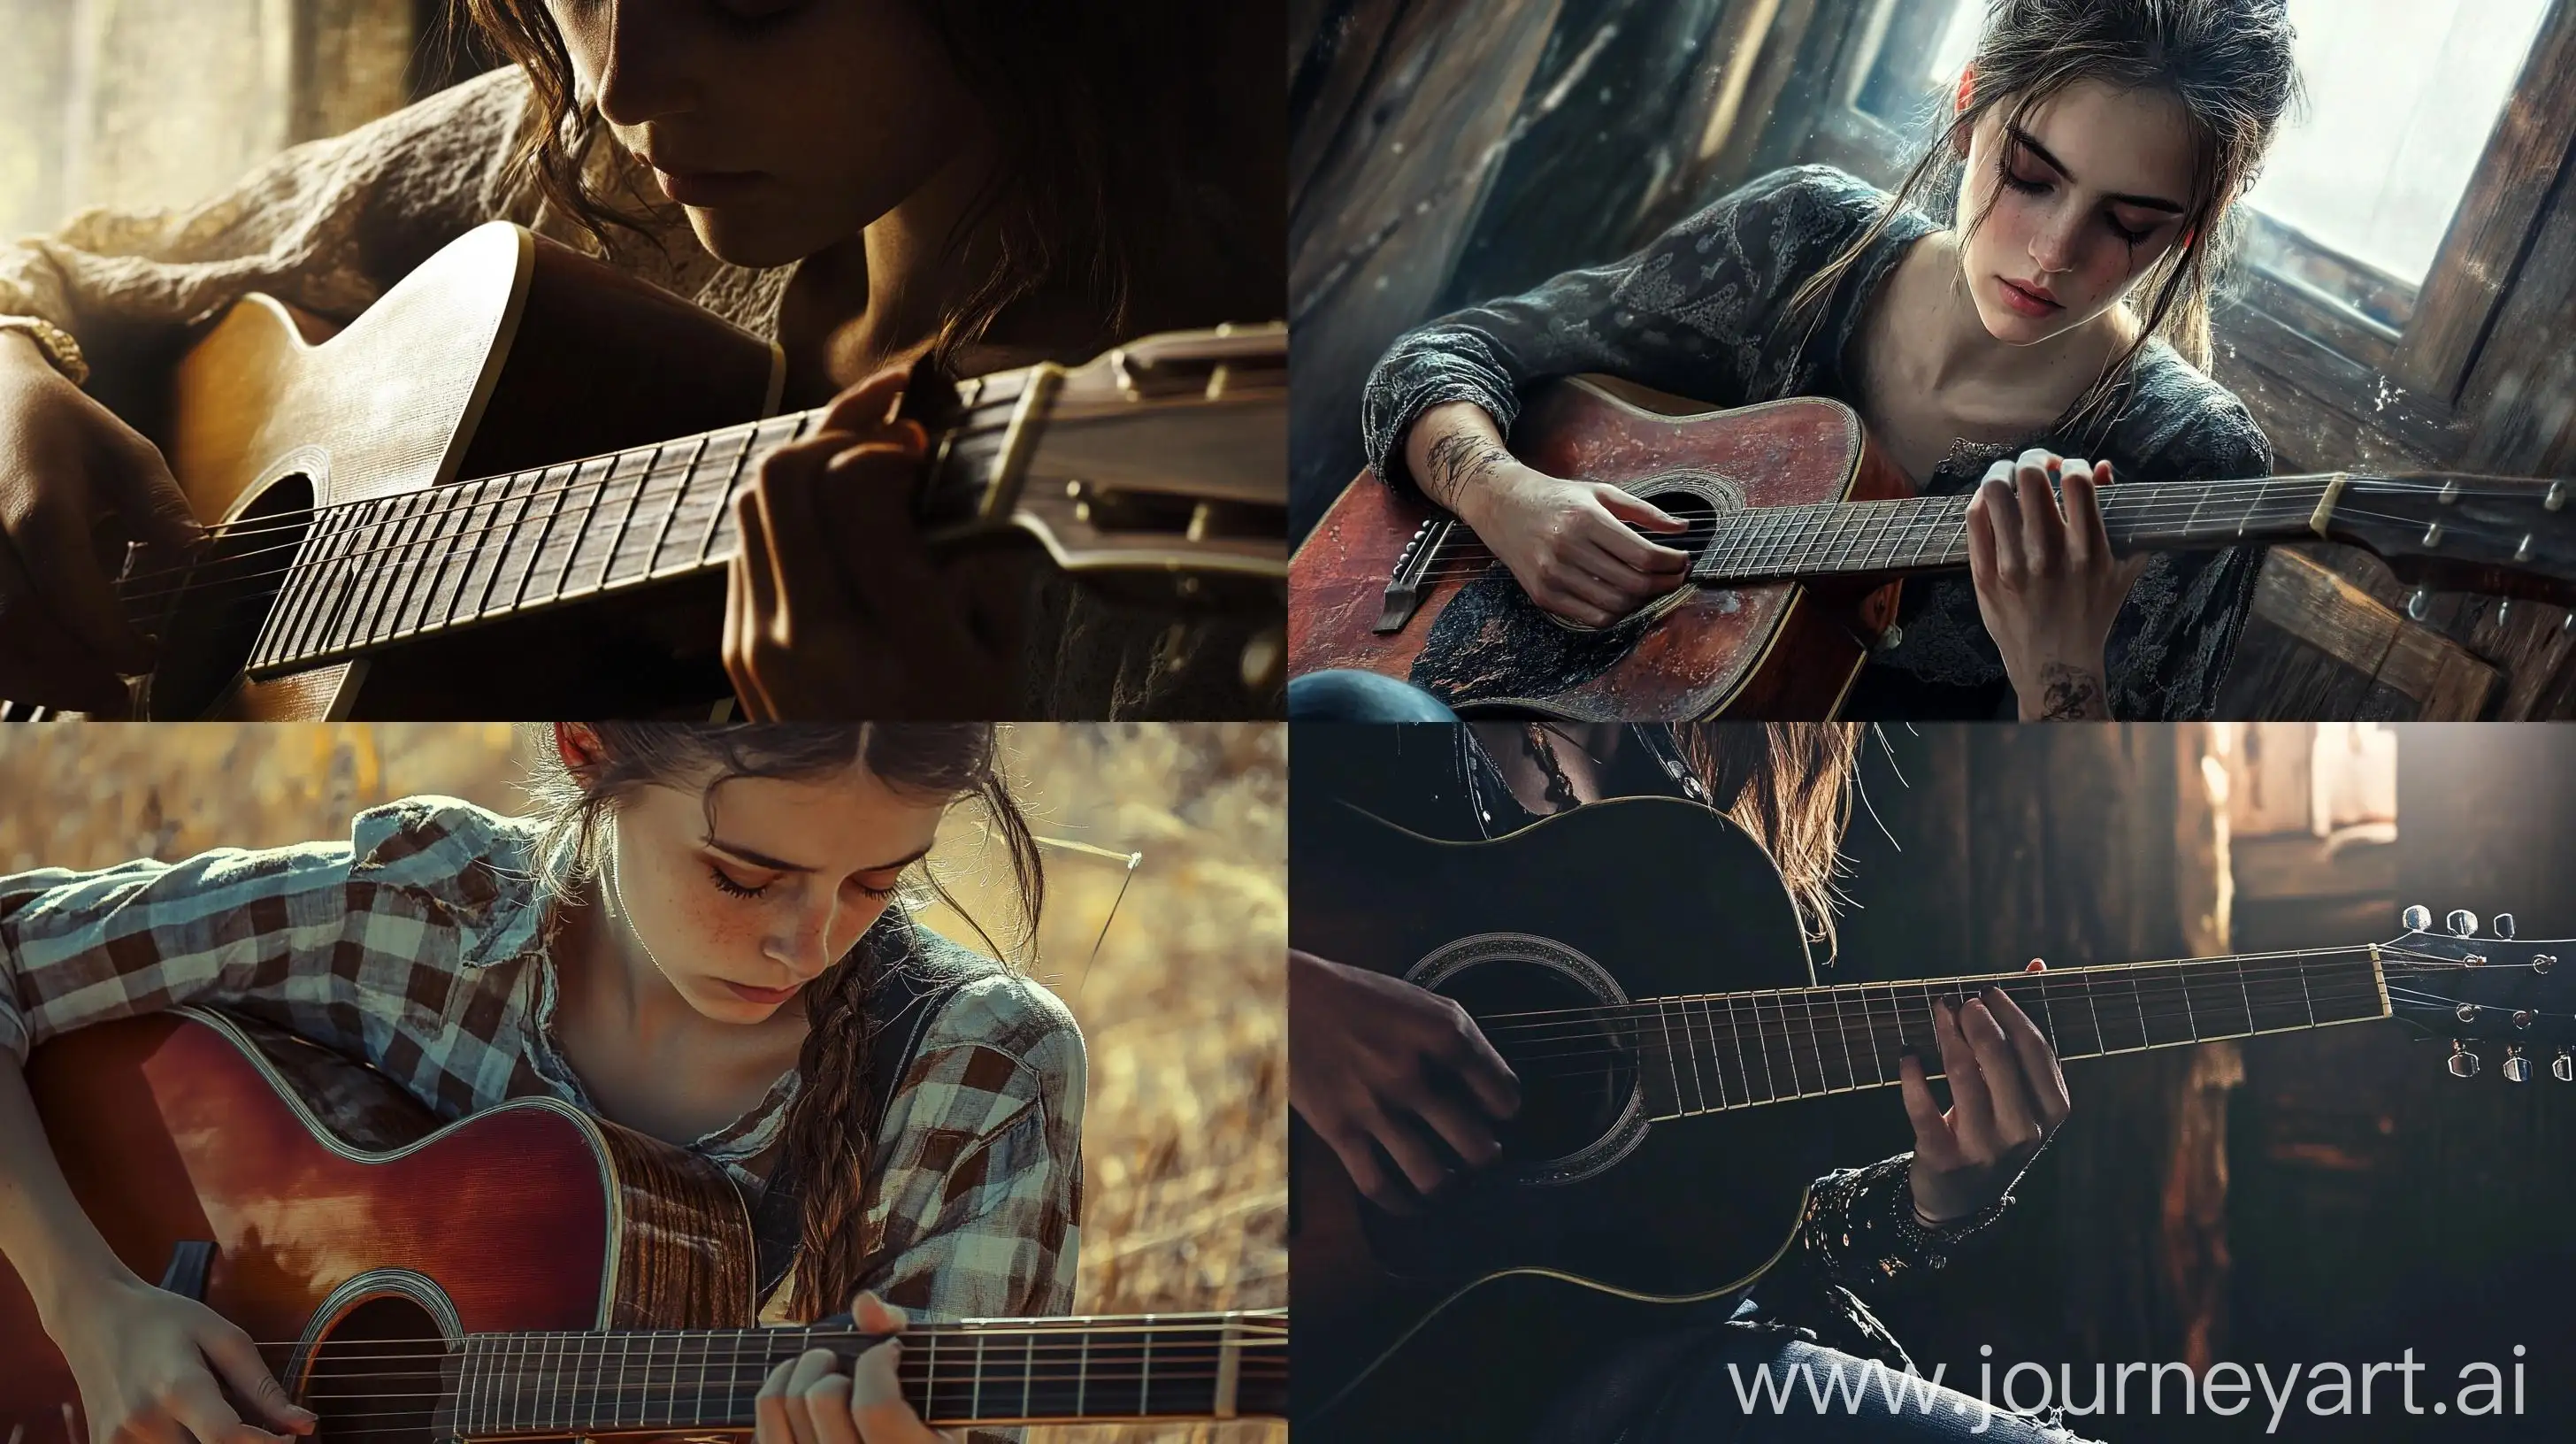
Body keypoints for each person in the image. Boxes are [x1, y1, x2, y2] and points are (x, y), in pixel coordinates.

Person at [0, 1, 1283, 720]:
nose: (619, 83)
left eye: (750, 4)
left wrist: (863, 748)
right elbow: (69, 269)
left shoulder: (1157, 535)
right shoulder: (586, 161)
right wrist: (17, 374)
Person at [0, 723, 1082, 1444]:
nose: (805, 945)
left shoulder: (975, 1066)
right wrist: (88, 1302)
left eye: (878, 883)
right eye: (745, 878)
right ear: (585, 748)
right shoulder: (415, 915)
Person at [1362, 0, 2300, 720]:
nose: (2054, 251)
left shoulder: (2194, 467)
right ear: (1969, 107)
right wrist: (1502, 494)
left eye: (2128, 224)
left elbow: (2115, 853)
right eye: (2029, 177)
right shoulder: (1798, 241)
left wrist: (2059, 670)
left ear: (2193, 227)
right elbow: (1444, 354)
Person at [1289, 721, 2090, 1440]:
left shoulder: (1705, 776)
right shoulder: (1381, 703)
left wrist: (1933, 1205)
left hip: (1630, 1372)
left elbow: (1701, 1250)